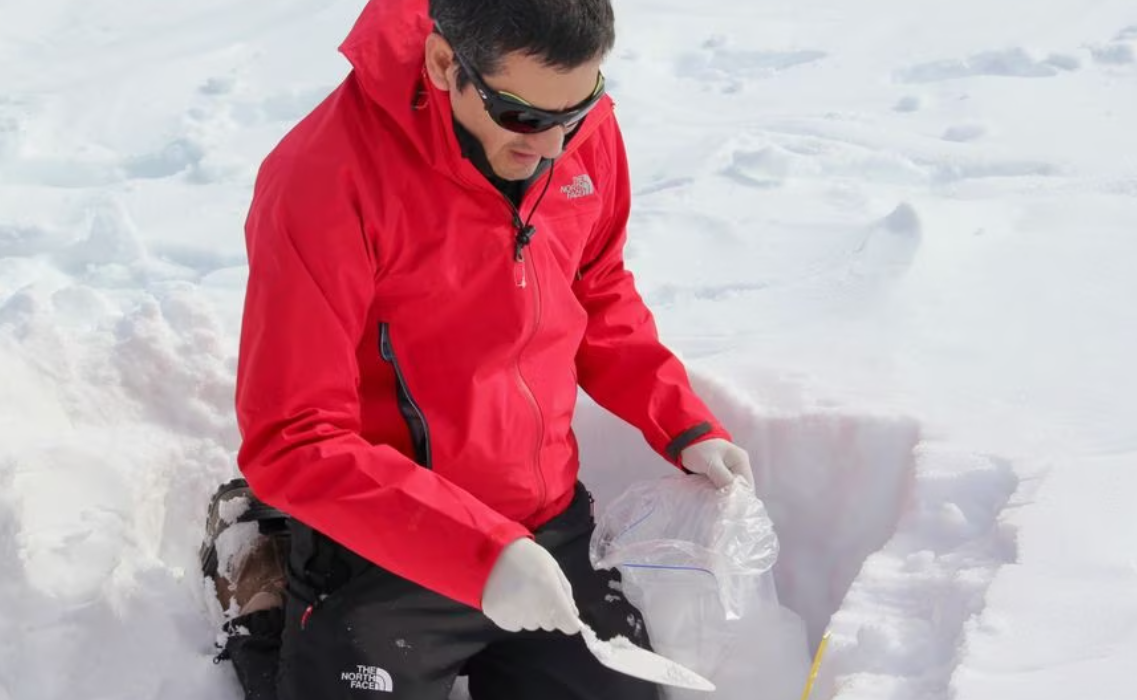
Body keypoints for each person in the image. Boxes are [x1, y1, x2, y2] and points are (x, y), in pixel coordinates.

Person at [199, 0, 754, 698]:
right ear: (442, 63)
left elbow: (596, 287)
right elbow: (293, 437)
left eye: (575, 112)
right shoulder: (322, 179)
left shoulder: (572, 132)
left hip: (544, 525)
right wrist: (477, 553)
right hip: (384, 538)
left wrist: (681, 422)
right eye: (523, 118)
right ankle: (260, 569)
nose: (553, 148)